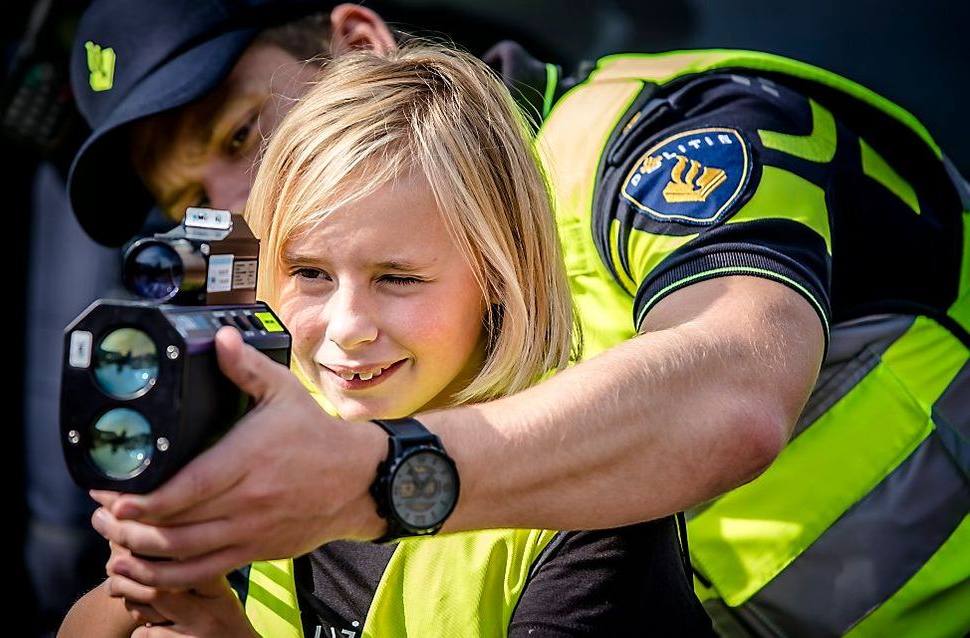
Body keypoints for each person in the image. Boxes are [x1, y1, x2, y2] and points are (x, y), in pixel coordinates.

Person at [64, 1, 969, 635]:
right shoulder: (303, 372)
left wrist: (377, 482)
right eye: (187, 198)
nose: (237, 212)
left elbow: (735, 385)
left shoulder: (670, 133)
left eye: (240, 135)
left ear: (360, 44)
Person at [59, 43, 714, 637]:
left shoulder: (588, 498)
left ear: (496, 273)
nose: (347, 326)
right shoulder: (252, 433)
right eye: (309, 272)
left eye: (397, 278)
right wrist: (154, 575)